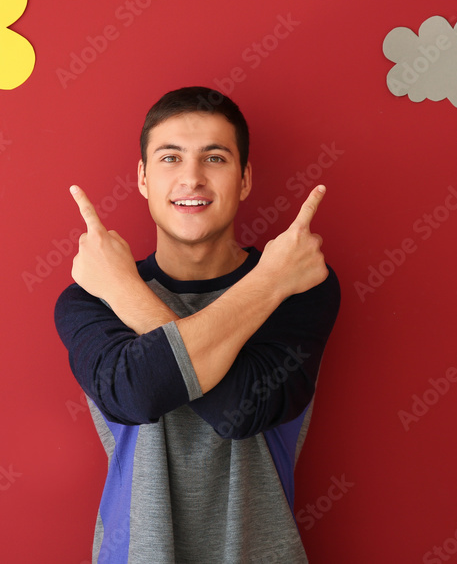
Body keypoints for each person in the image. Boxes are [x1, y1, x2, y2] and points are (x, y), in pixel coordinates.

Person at [54, 86, 340, 563]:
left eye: (215, 158)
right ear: (143, 179)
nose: (192, 178)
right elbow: (138, 392)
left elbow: (240, 410)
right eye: (170, 158)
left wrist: (271, 281)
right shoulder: (92, 296)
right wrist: (267, 283)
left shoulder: (300, 285)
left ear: (244, 179)